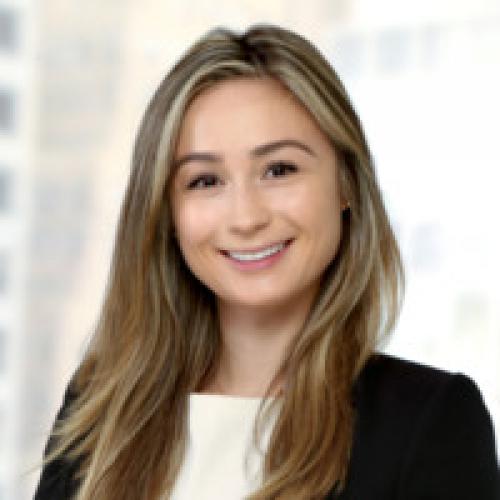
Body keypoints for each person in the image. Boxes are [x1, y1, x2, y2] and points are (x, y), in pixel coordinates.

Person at [34, 23, 499, 500]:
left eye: (279, 170)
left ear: (345, 183)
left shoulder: (431, 422)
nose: (246, 217)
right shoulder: (99, 406)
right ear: (167, 212)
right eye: (205, 180)